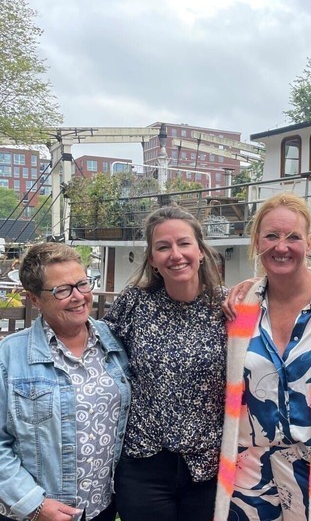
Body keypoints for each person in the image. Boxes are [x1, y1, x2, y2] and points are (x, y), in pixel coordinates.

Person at [0, 242, 130, 521]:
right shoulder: (8, 358)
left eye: (82, 283)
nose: (79, 297)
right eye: (62, 290)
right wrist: (34, 505)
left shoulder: (113, 343)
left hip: (101, 508)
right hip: (38, 513)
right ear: (34, 299)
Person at [215, 192, 311, 521]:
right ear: (257, 241)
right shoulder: (241, 305)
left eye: (293, 237)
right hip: (249, 474)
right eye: (271, 236)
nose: (281, 247)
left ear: (309, 242)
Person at [103, 205, 227, 520]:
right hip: (144, 464)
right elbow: (94, 353)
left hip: (207, 467)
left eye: (183, 243)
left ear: (200, 250)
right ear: (154, 260)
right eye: (163, 247)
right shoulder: (134, 303)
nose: (175, 254)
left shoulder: (228, 307)